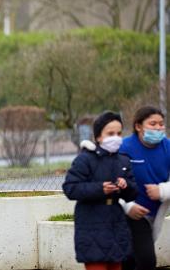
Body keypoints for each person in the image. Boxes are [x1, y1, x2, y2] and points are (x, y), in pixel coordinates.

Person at [63, 111, 138, 270]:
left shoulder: (123, 160)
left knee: (116, 265)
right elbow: (70, 188)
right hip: (91, 224)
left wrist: (126, 185)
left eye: (119, 133)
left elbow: (133, 192)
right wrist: (100, 189)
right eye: (110, 133)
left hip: (116, 223)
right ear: (98, 137)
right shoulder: (85, 159)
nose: (116, 137)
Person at [117, 106, 170, 270]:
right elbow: (111, 180)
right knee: (146, 261)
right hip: (130, 214)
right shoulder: (124, 148)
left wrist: (161, 191)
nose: (158, 128)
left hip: (154, 214)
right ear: (138, 126)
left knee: (130, 259)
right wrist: (128, 206)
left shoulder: (168, 147)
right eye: (153, 124)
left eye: (161, 124)